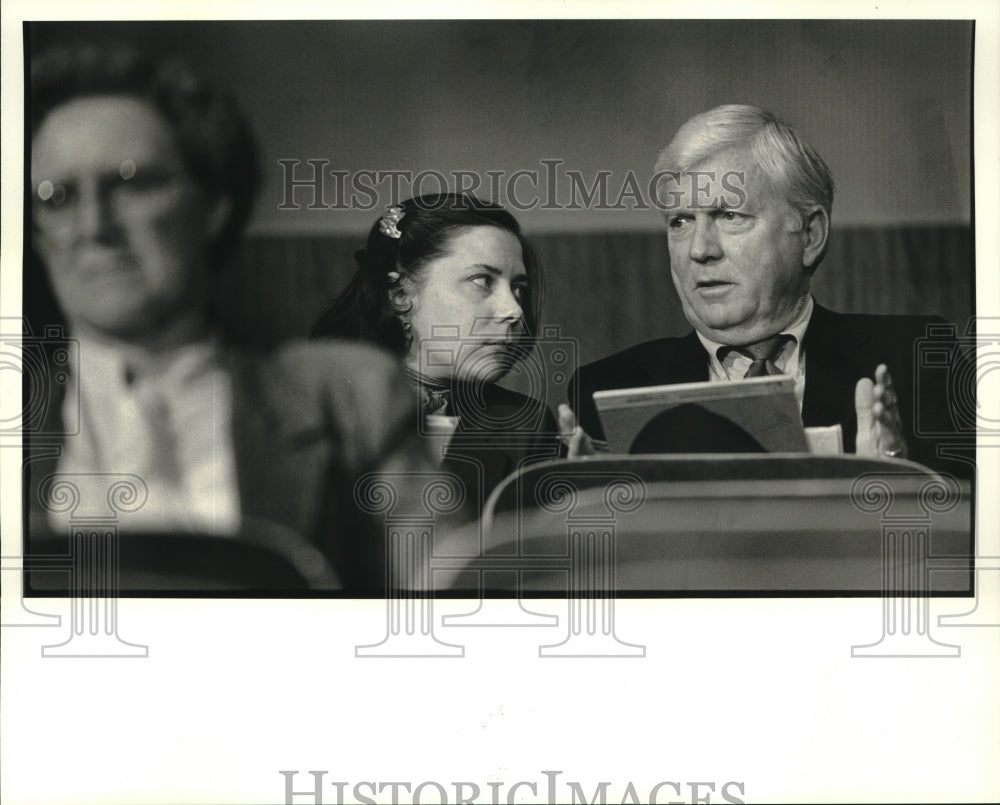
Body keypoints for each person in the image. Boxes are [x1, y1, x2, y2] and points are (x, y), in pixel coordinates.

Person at [25, 44, 439, 590]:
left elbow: (445, 606)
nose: (93, 226)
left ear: (213, 204)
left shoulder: (348, 400)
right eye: (57, 198)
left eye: (130, 183)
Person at [563, 104, 969, 476]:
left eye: (729, 215)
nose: (700, 250)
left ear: (810, 235)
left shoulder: (917, 358)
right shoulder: (607, 388)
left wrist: (902, 482)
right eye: (680, 221)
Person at [312, 193, 563, 511]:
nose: (514, 311)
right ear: (401, 295)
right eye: (482, 280)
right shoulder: (321, 411)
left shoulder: (527, 424)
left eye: (519, 290)